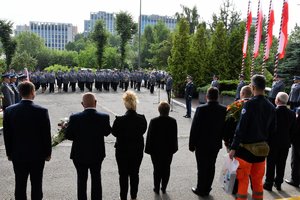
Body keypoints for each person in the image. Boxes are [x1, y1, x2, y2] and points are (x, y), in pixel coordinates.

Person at [229, 75, 276, 200]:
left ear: (253, 87)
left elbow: (241, 128)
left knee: (243, 181)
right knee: (258, 182)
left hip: (245, 151)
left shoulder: (249, 105)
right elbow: (273, 131)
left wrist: (233, 147)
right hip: (261, 152)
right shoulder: (271, 107)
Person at [3, 81, 52, 200]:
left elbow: (7, 135)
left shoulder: (9, 111)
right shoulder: (42, 111)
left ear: (19, 93)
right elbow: (46, 135)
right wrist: (48, 153)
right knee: (36, 184)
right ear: (32, 92)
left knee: (20, 184)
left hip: (18, 154)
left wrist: (9, 153)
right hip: (38, 155)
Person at [65, 92, 111, 200]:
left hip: (79, 154)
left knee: (81, 180)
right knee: (96, 179)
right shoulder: (104, 117)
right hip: (97, 154)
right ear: (96, 103)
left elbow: (69, 136)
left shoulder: (74, 118)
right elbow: (107, 132)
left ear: (82, 104)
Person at [189, 87, 227, 196]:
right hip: (215, 144)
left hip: (201, 144)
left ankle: (200, 189)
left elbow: (194, 128)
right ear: (218, 97)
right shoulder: (224, 109)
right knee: (211, 166)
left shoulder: (201, 109)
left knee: (201, 167)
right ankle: (207, 187)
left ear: (207, 97)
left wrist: (191, 145)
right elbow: (225, 127)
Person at [112, 91, 147, 200]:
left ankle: (123, 196)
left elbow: (114, 133)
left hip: (122, 151)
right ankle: (134, 196)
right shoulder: (142, 119)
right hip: (137, 150)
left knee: (123, 175)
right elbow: (143, 131)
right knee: (135, 174)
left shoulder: (119, 120)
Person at [264, 92, 296, 191]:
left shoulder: (272, 111)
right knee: (281, 164)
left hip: (273, 142)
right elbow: (293, 130)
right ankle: (278, 183)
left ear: (277, 100)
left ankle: (268, 183)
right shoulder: (292, 113)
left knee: (271, 163)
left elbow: (268, 128)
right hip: (285, 143)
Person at [145, 101, 178, 194]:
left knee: (157, 169)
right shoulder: (173, 121)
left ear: (159, 110)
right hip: (168, 150)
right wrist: (174, 149)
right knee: (166, 168)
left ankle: (156, 187)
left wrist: (148, 149)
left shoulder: (154, 121)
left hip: (156, 151)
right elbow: (174, 137)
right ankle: (164, 187)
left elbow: (150, 137)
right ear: (168, 111)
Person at [224, 85, 252, 150]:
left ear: (242, 94)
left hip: (235, 141)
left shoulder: (235, 105)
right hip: (250, 141)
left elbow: (228, 123)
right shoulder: (255, 106)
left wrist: (226, 140)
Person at [285, 107, 300, 188]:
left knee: (296, 160)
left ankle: (295, 180)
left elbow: (296, 124)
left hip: (298, 139)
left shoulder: (299, 110)